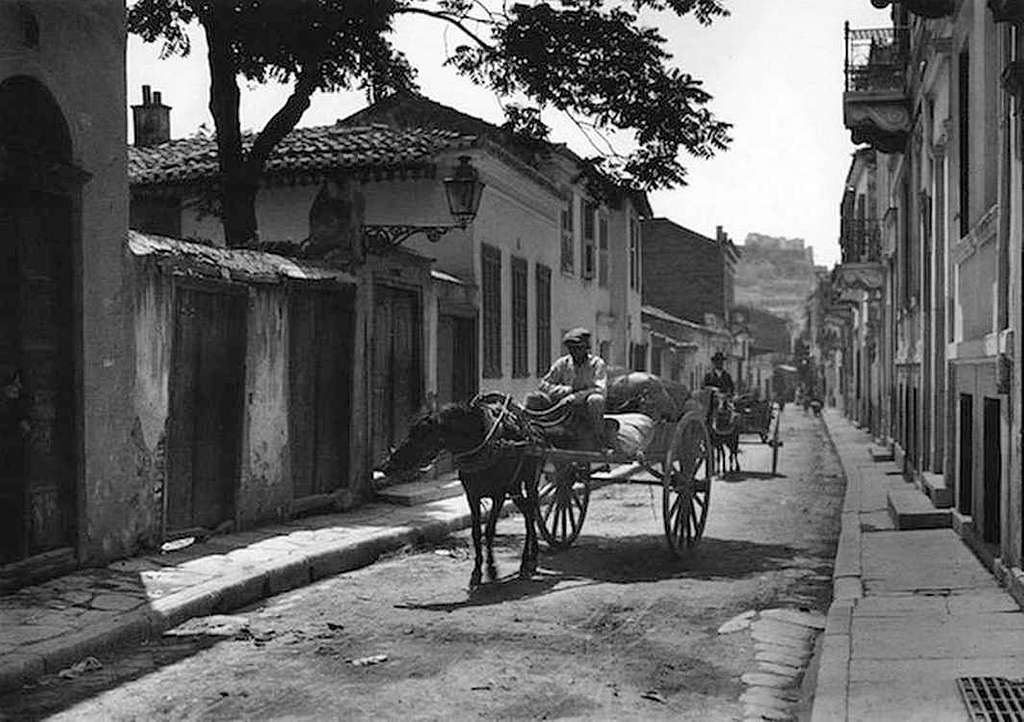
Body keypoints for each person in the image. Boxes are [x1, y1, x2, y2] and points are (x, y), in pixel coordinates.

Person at [534, 327, 609, 448]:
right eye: (571, 348)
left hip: (586, 407)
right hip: (562, 407)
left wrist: (575, 397)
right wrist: (564, 390)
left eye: (578, 348)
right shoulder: (562, 363)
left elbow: (600, 389)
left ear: (586, 348)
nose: (574, 352)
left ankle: (599, 439)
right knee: (534, 398)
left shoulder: (597, 364)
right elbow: (543, 385)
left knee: (596, 400)